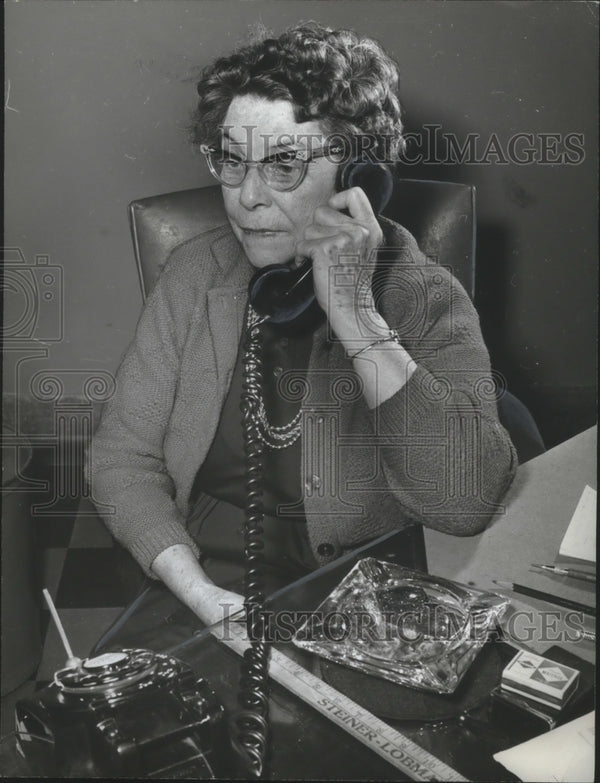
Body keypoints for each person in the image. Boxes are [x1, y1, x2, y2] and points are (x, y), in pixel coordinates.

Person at [87, 22, 517, 645]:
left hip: (368, 601)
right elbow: (121, 459)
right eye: (232, 161)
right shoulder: (194, 275)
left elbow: (464, 500)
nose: (247, 198)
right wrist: (199, 591)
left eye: (284, 164)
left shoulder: (423, 296)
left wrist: (354, 314)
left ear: (357, 180)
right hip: (209, 578)